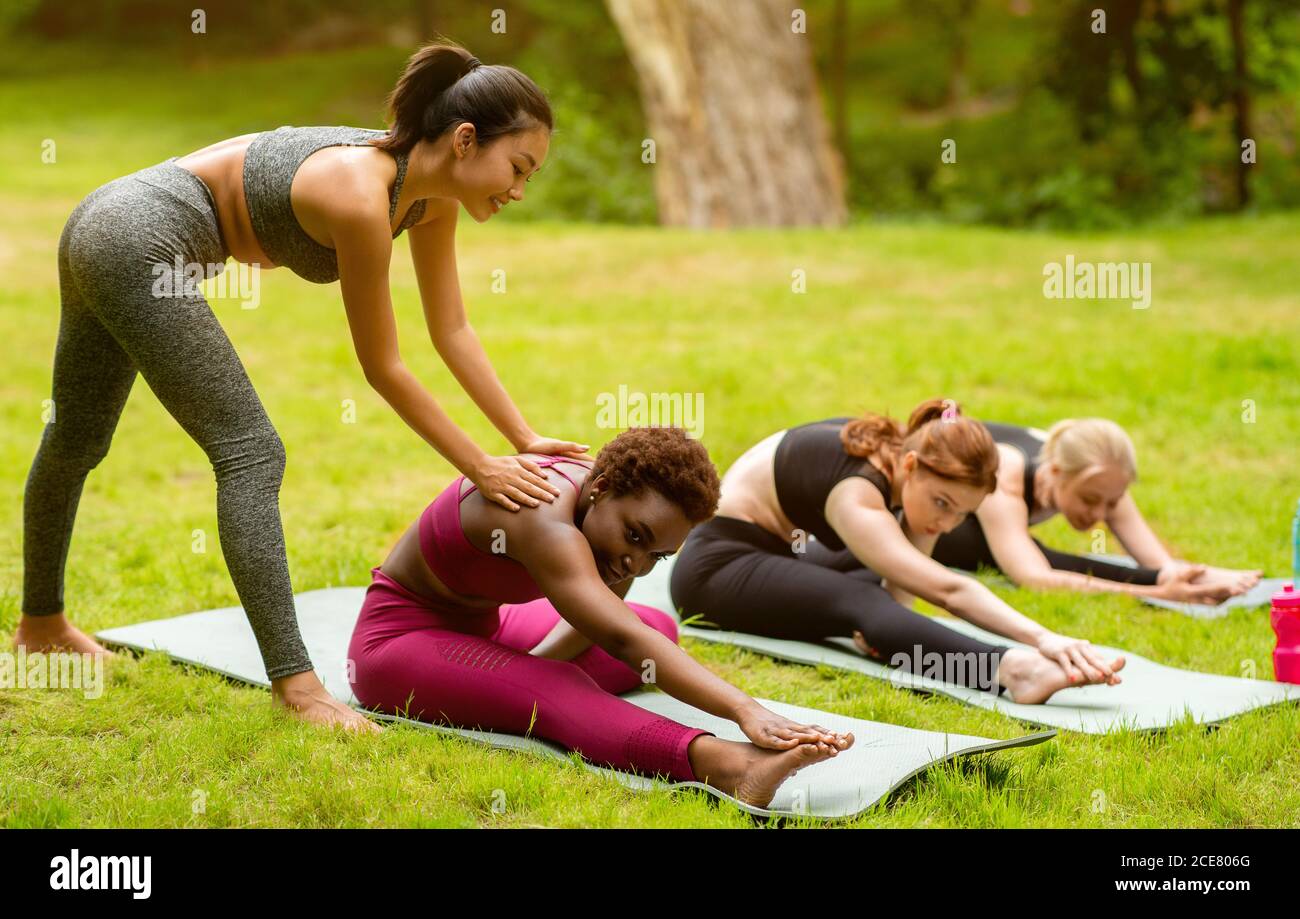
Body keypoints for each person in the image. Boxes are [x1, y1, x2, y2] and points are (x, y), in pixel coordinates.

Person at [18, 41, 588, 732]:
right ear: (466, 140)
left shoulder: (426, 199)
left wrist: (521, 437)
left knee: (76, 436)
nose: (520, 190)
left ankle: (40, 624)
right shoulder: (360, 196)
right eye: (518, 167)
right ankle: (296, 685)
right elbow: (384, 367)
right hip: (134, 236)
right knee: (252, 451)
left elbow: (451, 330)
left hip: (108, 223)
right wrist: (480, 466)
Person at [348, 427, 853, 807]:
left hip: (487, 627)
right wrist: (747, 710)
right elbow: (617, 637)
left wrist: (522, 665)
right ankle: (723, 765)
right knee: (563, 683)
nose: (635, 562)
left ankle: (510, 679)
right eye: (635, 536)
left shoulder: (605, 501)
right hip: (395, 645)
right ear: (601, 487)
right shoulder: (540, 515)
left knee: (657, 627)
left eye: (657, 555)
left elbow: (624, 625)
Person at [671, 400, 1127, 704]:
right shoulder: (856, 491)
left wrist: (895, 628)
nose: (946, 523)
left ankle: (895, 631)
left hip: (781, 552)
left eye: (960, 514)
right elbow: (947, 589)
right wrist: (1044, 638)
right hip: (714, 571)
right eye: (942, 504)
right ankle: (1012, 671)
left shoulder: (905, 457)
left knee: (881, 595)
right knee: (863, 603)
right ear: (911, 466)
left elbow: (910, 581)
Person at [931, 419, 1262, 604]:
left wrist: (1183, 575)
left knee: (1036, 555)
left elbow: (1157, 562)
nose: (1100, 514)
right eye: (1090, 500)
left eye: (1112, 502)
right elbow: (1034, 579)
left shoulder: (1099, 471)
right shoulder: (1006, 477)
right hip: (924, 515)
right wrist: (1159, 592)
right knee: (1020, 556)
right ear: (1056, 472)